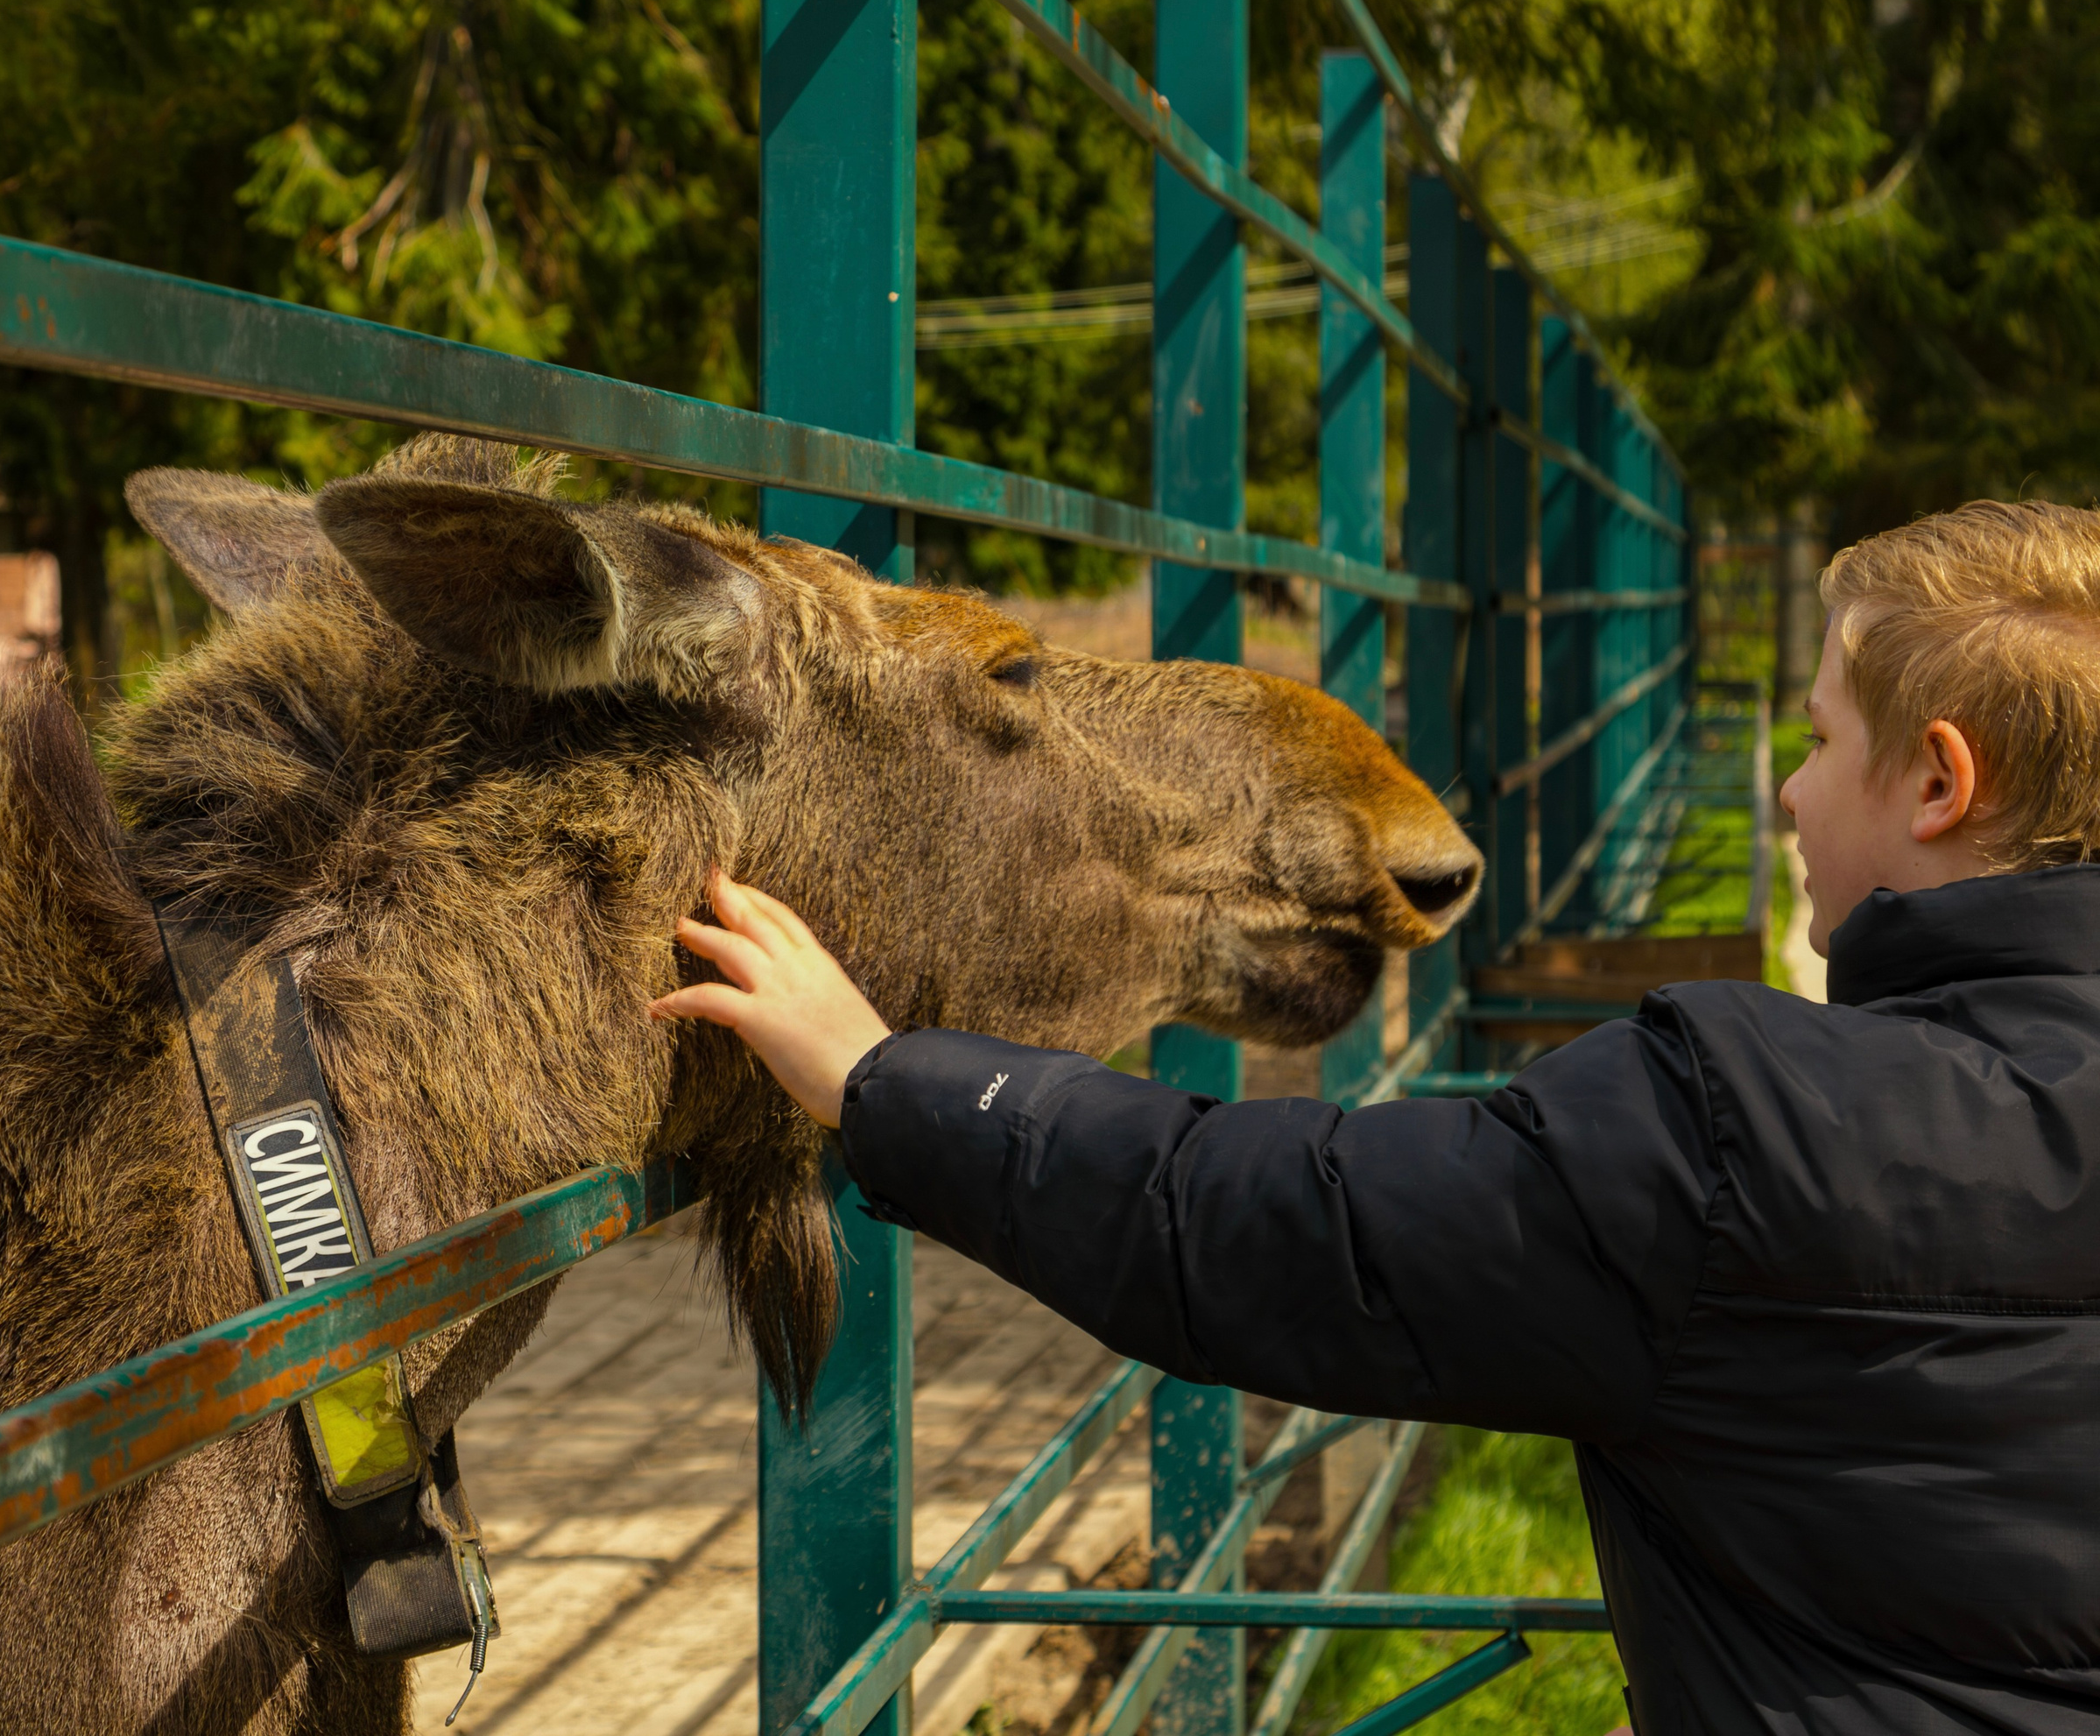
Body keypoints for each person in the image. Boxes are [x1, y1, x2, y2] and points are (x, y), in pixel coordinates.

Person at [650, 500, 2100, 1735]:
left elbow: (1264, 1225)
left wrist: (881, 1078)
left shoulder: (1751, 1132)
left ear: (1935, 782)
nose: (1786, 788)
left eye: (1820, 740)